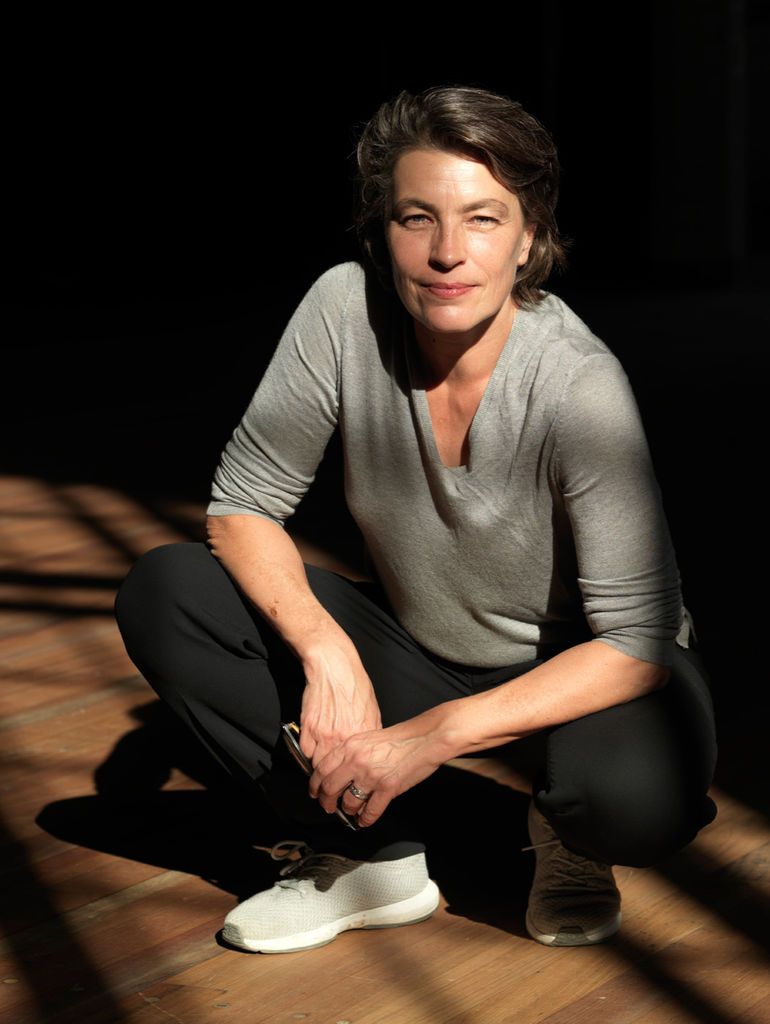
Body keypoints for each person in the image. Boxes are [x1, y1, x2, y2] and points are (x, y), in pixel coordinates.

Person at [113, 84, 718, 954]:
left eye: (482, 219)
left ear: (529, 237)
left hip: (584, 669)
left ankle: (569, 832)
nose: (446, 253)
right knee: (170, 591)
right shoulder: (343, 309)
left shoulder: (579, 384)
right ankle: (369, 855)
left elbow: (635, 643)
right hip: (422, 644)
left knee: (632, 802)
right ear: (383, 230)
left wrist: (428, 740)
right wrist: (328, 656)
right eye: (416, 218)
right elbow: (243, 505)